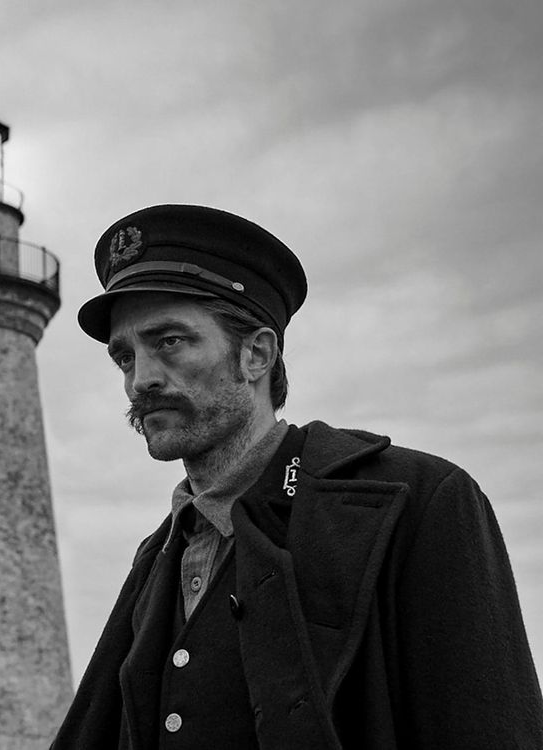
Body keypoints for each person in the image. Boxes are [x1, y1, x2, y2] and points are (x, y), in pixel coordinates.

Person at [51, 205, 543, 748]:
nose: (141, 380)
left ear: (257, 354)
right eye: (125, 358)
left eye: (169, 342)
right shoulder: (158, 556)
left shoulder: (416, 502)